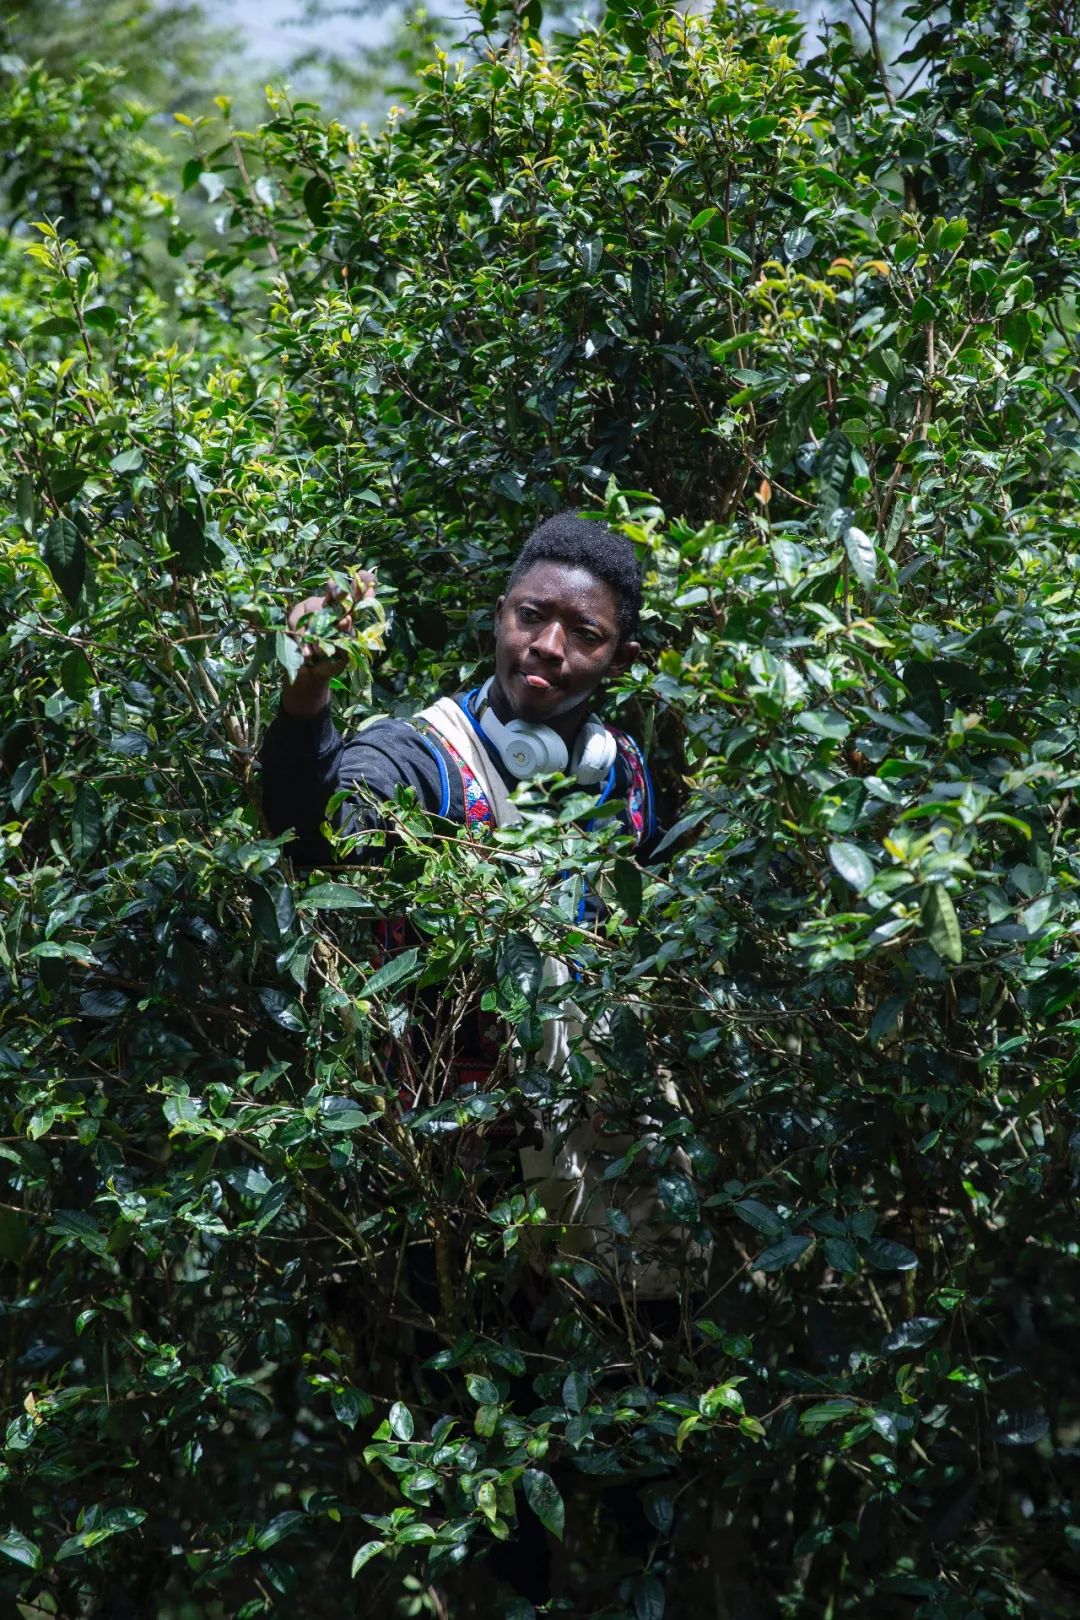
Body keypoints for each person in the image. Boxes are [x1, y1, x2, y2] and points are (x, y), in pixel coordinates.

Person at [260, 510, 705, 1297]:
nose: (547, 647)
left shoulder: (626, 775)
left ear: (621, 659)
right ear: (500, 616)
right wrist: (309, 687)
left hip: (597, 1157)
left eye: (584, 634)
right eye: (531, 617)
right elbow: (314, 831)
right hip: (447, 1178)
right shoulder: (421, 755)